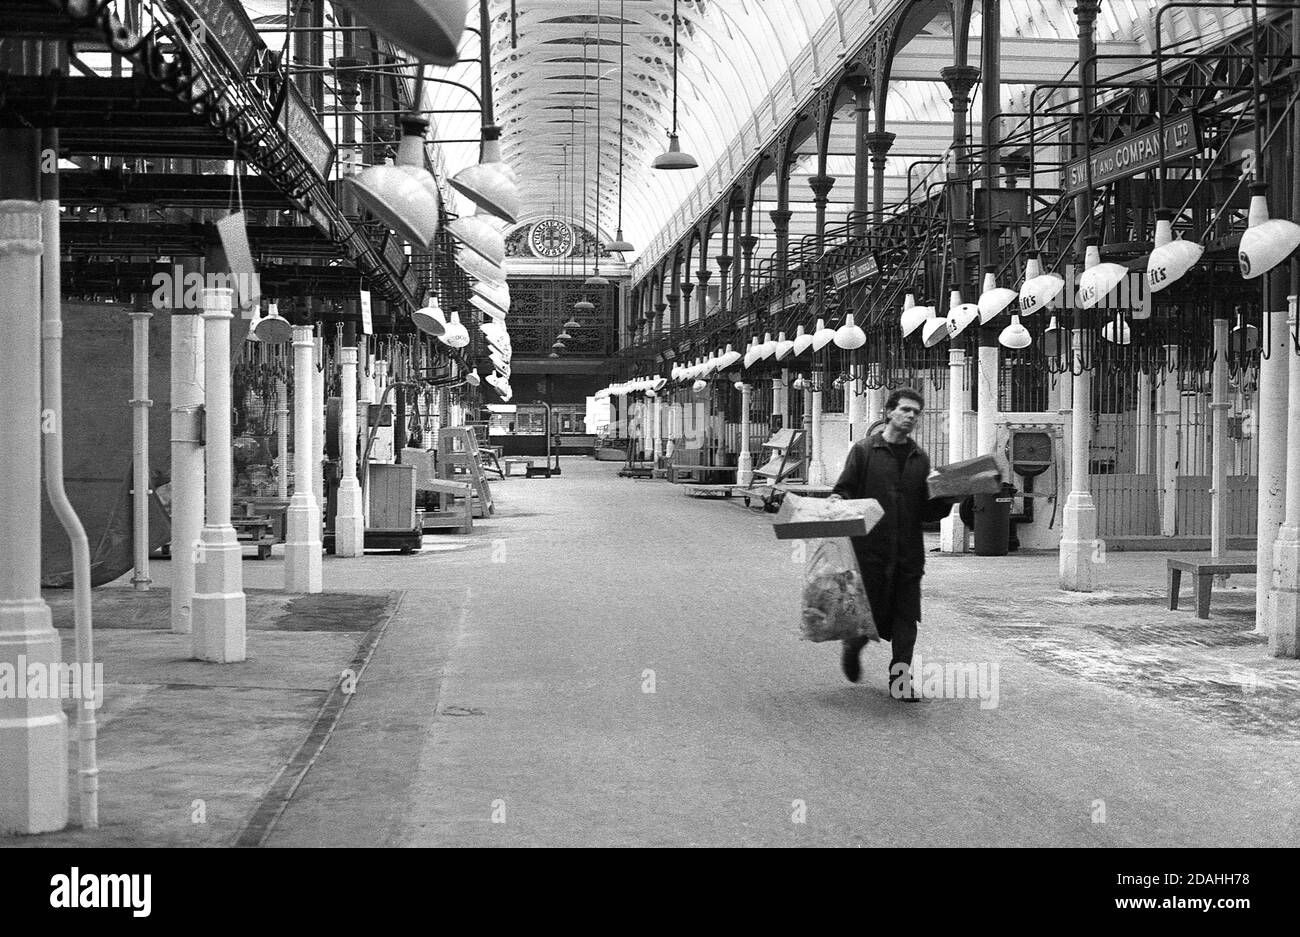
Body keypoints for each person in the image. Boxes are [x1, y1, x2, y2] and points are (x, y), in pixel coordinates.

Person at [829, 387, 953, 700]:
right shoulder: (864, 451)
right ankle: (854, 644)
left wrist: (950, 499)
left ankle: (900, 681)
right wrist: (836, 499)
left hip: (908, 553)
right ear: (889, 412)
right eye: (905, 410)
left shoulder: (919, 458)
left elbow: (926, 510)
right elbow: (844, 490)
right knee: (869, 614)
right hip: (869, 551)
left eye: (916, 413)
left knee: (906, 618)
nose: (911, 416)